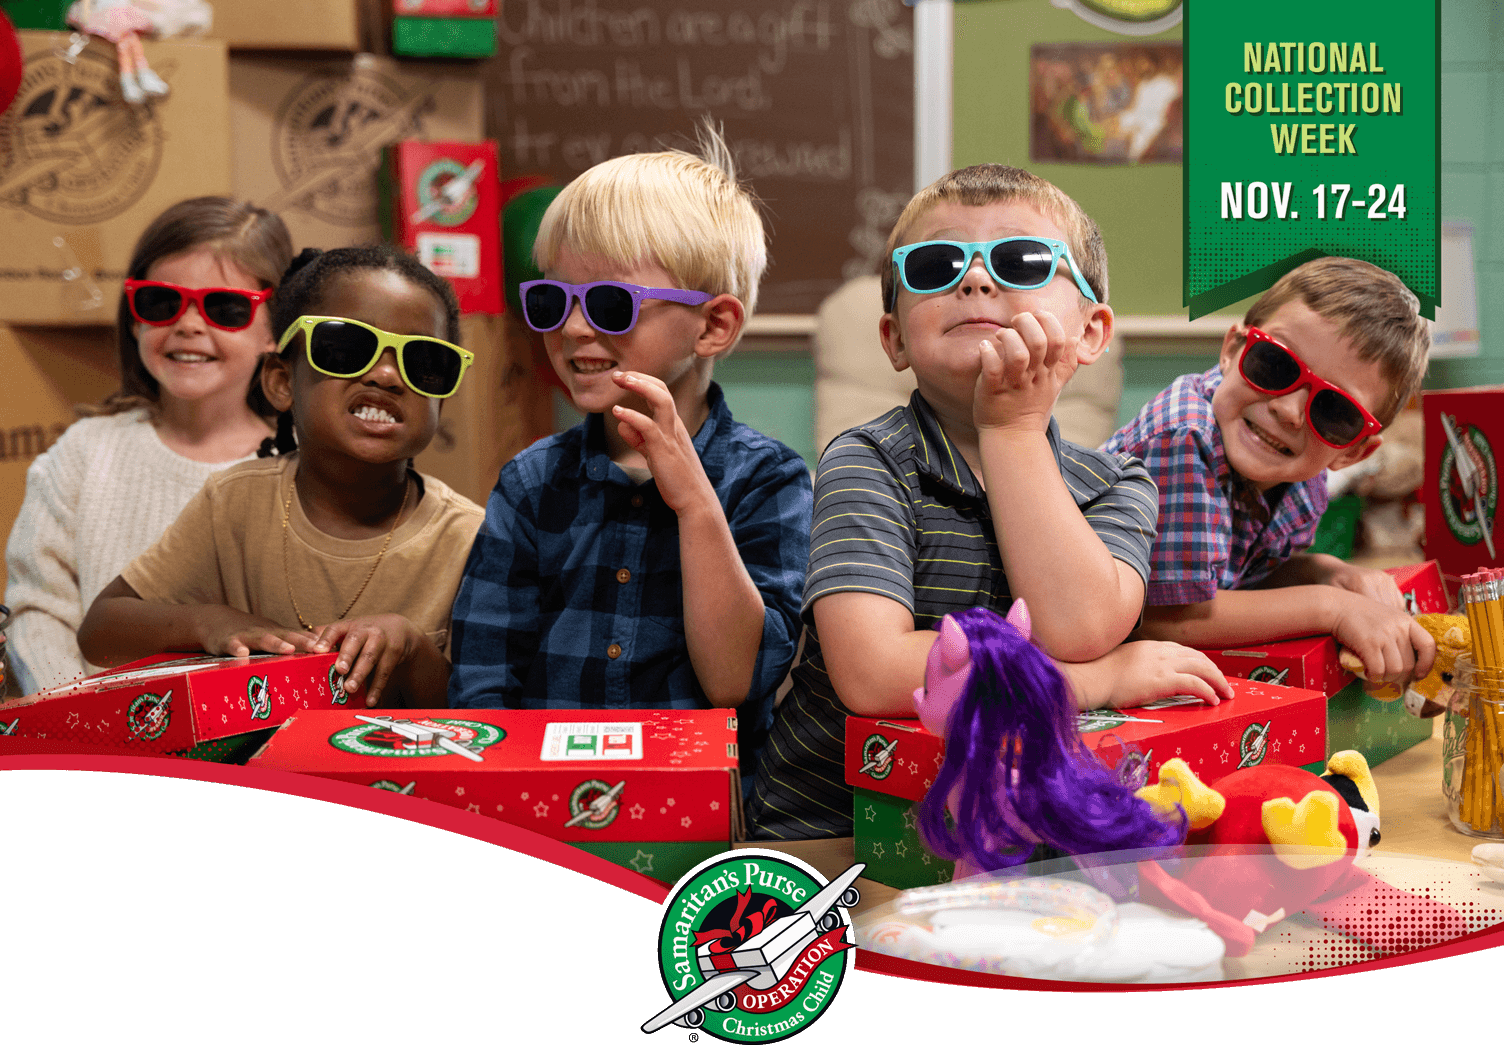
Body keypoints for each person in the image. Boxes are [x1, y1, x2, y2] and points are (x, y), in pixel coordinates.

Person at [746, 164, 1231, 840]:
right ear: (894, 339)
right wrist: (1096, 681)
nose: (975, 280)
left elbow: (1078, 627)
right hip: (835, 829)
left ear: (1092, 332)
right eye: (937, 265)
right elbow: (873, 673)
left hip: (1019, 826)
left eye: (1022, 260)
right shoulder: (865, 460)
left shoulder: (1119, 482)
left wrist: (1013, 431)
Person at [447, 126, 811, 778]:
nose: (574, 328)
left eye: (611, 304)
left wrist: (695, 503)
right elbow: (482, 682)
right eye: (553, 300)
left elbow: (737, 678)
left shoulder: (769, 479)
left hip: (702, 810)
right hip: (541, 800)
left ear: (713, 325)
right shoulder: (530, 483)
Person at [78, 247, 485, 709]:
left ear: (441, 399)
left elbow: (488, 709)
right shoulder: (234, 503)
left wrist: (414, 653)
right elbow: (100, 634)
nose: (387, 375)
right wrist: (209, 623)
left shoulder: (471, 538)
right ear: (281, 382)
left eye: (425, 361)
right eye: (346, 349)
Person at [4, 196, 291, 695]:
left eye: (225, 308)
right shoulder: (83, 452)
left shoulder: (303, 467)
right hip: (88, 727)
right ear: (135, 318)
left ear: (276, 327)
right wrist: (76, 717)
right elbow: (38, 609)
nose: (189, 324)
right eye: (161, 302)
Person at [1105, 256, 1436, 686]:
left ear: (1353, 452)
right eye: (1276, 364)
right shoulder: (1184, 437)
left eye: (1334, 411)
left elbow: (1239, 580)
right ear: (1232, 350)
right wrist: (1334, 607)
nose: (1288, 410)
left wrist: (1324, 572)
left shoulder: (1302, 476)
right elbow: (1172, 617)